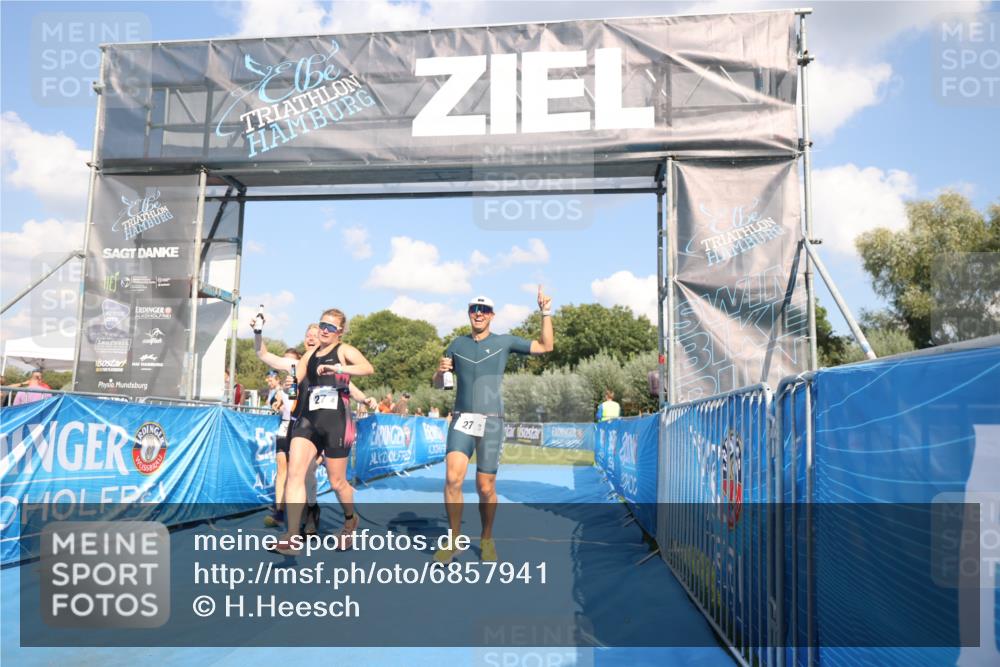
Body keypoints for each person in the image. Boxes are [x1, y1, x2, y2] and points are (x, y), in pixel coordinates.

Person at [432, 287, 553, 563]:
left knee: (485, 487)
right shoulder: (456, 344)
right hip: (462, 418)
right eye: (474, 309)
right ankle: (453, 540)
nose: (478, 314)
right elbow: (439, 385)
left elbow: (547, 346)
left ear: (492, 316)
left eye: (484, 310)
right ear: (468, 314)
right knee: (452, 478)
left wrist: (545, 312)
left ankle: (486, 538)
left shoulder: (504, 341)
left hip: (492, 422)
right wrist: (439, 373)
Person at [253, 322, 376, 534]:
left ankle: (315, 512)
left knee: (331, 480)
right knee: (295, 471)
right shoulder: (296, 364)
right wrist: (257, 332)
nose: (311, 339)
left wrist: (365, 401)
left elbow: (351, 387)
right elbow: (263, 354)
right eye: (307, 336)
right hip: (301, 424)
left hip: (330, 424)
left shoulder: (330, 364)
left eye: (314, 336)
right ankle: (290, 521)